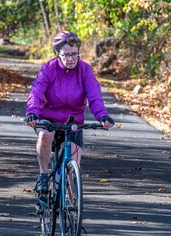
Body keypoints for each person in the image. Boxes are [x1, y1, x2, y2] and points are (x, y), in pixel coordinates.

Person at [25, 31, 115, 196]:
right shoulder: (48, 69)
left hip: (73, 122)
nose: (71, 58)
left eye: (74, 54)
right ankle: (43, 174)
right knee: (45, 134)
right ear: (57, 54)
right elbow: (36, 93)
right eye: (66, 55)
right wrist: (32, 112)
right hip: (48, 118)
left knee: (73, 170)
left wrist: (102, 116)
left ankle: (73, 206)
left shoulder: (84, 70)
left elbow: (95, 96)